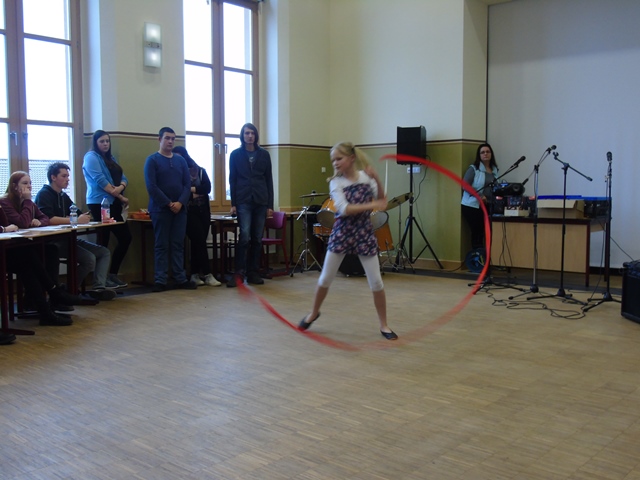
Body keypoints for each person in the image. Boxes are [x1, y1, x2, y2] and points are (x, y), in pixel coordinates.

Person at [298, 142, 398, 340]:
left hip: (364, 233)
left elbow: (382, 200)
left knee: (376, 282)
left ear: (351, 158)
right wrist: (371, 204)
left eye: (339, 158)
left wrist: (377, 178)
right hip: (342, 232)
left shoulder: (365, 177)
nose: (335, 163)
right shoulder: (336, 183)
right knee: (325, 278)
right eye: (333, 160)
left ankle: (384, 325)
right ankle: (313, 313)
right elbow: (344, 209)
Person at [35, 163, 116, 301]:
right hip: (53, 242)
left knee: (104, 252)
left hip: (68, 238)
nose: (67, 179)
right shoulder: (44, 194)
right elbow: (48, 219)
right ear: (53, 177)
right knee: (89, 259)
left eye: (68, 176)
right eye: (64, 176)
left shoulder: (63, 196)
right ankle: (69, 290)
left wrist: (85, 217)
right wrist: (75, 220)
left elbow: (77, 213)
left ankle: (98, 288)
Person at [144, 127, 197, 292]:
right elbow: (152, 186)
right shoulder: (152, 160)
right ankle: (160, 280)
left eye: (173, 139)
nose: (170, 141)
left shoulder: (181, 161)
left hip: (180, 210)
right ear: (159, 139)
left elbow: (187, 185)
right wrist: (168, 203)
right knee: (161, 245)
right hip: (160, 209)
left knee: (177, 244)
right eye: (167, 138)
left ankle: (180, 278)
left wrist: (180, 203)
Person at [82, 130, 132, 288]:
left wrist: (120, 187)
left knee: (125, 238)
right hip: (99, 203)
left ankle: (112, 274)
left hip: (114, 202)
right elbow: (100, 180)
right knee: (103, 240)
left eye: (107, 141)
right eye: (102, 141)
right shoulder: (91, 157)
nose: (105, 144)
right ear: (96, 143)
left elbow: (123, 177)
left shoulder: (111, 158)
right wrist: (120, 196)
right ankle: (100, 281)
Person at [227, 122, 274, 287]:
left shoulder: (264, 155)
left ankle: (253, 272)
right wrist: (233, 203)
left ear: (256, 136)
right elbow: (232, 179)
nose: (250, 136)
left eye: (252, 133)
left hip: (261, 200)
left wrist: (270, 205)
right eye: (247, 133)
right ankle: (239, 273)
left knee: (257, 238)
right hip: (243, 200)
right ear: (242, 136)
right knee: (244, 237)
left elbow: (269, 180)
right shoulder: (235, 155)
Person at [172, 146, 221, 287]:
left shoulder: (199, 170)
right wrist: (192, 191)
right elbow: (178, 190)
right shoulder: (176, 173)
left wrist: (191, 189)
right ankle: (207, 273)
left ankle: (194, 273)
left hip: (203, 211)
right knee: (199, 239)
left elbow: (207, 188)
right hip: (188, 211)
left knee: (198, 242)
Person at [461, 143, 499, 251]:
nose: (485, 154)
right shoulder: (474, 169)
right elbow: (465, 185)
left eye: (487, 152)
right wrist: (479, 196)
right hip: (472, 206)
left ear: (491, 154)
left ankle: (485, 255)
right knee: (477, 232)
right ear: (479, 155)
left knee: (486, 231)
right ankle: (477, 256)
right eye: (482, 152)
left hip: (487, 205)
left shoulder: (494, 170)